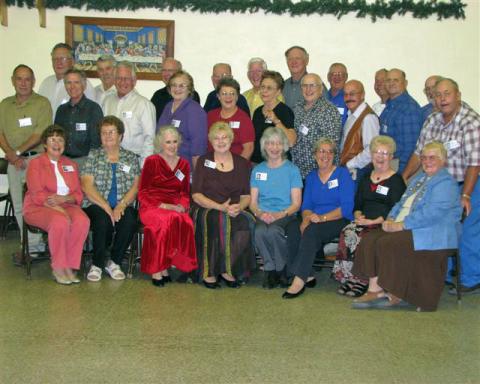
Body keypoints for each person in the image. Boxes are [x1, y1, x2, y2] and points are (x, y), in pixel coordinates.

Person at [351, 141, 462, 311]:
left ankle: (396, 291)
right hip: (408, 226)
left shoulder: (446, 183)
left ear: (443, 160)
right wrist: (390, 219)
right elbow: (399, 203)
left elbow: (432, 214)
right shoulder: (419, 179)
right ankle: (374, 289)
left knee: (388, 243)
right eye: (424, 158)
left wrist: (401, 225)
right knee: (371, 238)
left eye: (432, 158)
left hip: (433, 231)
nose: (427, 161)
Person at [401, 78, 480, 294]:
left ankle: (471, 278)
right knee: (439, 227)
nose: (442, 99)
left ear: (458, 95)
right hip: (439, 185)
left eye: (447, 93)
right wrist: (404, 178)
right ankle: (442, 274)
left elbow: (475, 164)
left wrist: (465, 195)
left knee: (467, 230)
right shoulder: (432, 120)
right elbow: (419, 152)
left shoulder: (471, 122)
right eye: (438, 95)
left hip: (469, 183)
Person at [333, 135, 406, 297]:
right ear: (371, 155)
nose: (380, 157)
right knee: (348, 231)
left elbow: (395, 209)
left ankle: (363, 280)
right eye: (377, 152)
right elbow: (357, 204)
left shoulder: (396, 180)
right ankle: (350, 278)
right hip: (364, 219)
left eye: (385, 153)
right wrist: (358, 216)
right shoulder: (365, 177)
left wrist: (372, 221)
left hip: (383, 222)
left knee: (363, 235)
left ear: (391, 157)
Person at [283, 138, 355, 299]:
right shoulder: (311, 177)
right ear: (315, 154)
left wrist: (321, 218)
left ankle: (298, 279)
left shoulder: (342, 174)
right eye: (321, 151)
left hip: (338, 219)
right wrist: (306, 219)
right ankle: (306, 274)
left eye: (330, 151)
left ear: (334, 155)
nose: (326, 155)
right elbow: (306, 204)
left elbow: (347, 207)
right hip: (314, 218)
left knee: (311, 232)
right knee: (294, 229)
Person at [23, 125, 90, 285]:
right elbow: (36, 193)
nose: (56, 143)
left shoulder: (71, 165)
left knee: (83, 221)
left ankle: (70, 266)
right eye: (52, 139)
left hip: (66, 204)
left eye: (60, 140)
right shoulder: (35, 163)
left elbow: (78, 195)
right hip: (38, 207)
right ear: (45, 144)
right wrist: (58, 207)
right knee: (60, 221)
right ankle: (58, 267)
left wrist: (65, 199)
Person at [0, 64, 52, 264]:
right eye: (19, 79)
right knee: (19, 204)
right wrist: (12, 155)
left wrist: (18, 152)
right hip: (13, 162)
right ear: (13, 80)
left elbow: (40, 134)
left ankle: (37, 247)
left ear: (33, 81)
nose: (23, 83)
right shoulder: (4, 105)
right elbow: (1, 134)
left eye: (27, 79)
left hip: (35, 161)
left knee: (36, 203)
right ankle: (26, 245)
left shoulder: (42, 103)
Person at [191, 122, 254, 289]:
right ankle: (210, 272)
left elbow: (247, 195)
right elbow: (196, 194)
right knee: (217, 220)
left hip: (234, 208)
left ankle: (230, 269)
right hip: (207, 207)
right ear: (211, 141)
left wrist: (239, 207)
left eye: (224, 137)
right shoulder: (204, 161)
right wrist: (220, 207)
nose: (220, 141)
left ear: (231, 140)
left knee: (244, 221)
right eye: (216, 138)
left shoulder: (241, 163)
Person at [81, 116, 140, 282]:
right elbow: (87, 186)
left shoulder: (130, 158)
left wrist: (121, 205)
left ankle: (114, 262)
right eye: (103, 133)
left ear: (120, 135)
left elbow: (136, 186)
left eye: (111, 132)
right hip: (96, 203)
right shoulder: (94, 156)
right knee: (102, 220)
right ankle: (97, 264)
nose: (107, 136)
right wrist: (106, 207)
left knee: (129, 220)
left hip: (123, 202)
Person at [138, 126, 197, 287]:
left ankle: (166, 265)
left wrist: (182, 206)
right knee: (165, 222)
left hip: (175, 207)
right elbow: (142, 192)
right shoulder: (152, 161)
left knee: (186, 222)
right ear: (160, 144)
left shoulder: (184, 164)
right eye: (168, 142)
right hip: (152, 206)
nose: (172, 145)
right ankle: (156, 269)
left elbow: (185, 193)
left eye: (175, 142)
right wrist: (164, 206)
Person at [250, 127, 302, 288]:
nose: (274, 148)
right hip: (262, 214)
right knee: (258, 231)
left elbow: (296, 204)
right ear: (264, 146)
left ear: (285, 146)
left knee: (273, 231)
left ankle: (280, 268)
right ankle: (270, 269)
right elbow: (253, 202)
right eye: (270, 143)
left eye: (278, 143)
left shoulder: (292, 170)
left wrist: (279, 215)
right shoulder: (258, 170)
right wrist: (259, 213)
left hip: (286, 214)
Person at [102, 61, 156, 166]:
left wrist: (144, 166)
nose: (122, 82)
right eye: (119, 78)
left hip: (134, 160)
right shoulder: (107, 101)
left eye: (126, 78)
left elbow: (149, 138)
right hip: (109, 159)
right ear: (114, 80)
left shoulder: (144, 104)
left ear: (134, 81)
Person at [290, 73, 342, 178]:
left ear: (321, 88)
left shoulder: (329, 111)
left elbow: (331, 145)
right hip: (297, 172)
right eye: (305, 86)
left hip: (319, 173)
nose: (308, 89)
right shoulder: (297, 108)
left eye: (312, 85)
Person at [157, 70, 207, 169]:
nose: (177, 89)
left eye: (182, 86)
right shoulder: (168, 106)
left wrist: (196, 177)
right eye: (174, 85)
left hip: (185, 166)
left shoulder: (195, 111)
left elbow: (198, 148)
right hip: (164, 163)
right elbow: (158, 134)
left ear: (189, 89)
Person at [54, 69, 103, 169]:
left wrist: (91, 164)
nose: (72, 87)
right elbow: (56, 137)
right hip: (63, 161)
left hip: (86, 162)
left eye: (76, 82)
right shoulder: (61, 110)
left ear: (84, 85)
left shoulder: (93, 109)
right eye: (68, 83)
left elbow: (97, 141)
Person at [379, 68, 423, 173]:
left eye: (396, 80)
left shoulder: (409, 108)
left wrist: (401, 177)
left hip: (398, 167)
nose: (391, 83)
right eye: (388, 80)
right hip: (386, 163)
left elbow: (411, 147)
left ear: (405, 83)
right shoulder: (390, 105)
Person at [38, 43, 95, 116]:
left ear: (73, 61)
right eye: (55, 59)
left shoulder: (83, 84)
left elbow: (90, 112)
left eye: (63, 59)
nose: (59, 62)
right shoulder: (46, 83)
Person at [251, 71, 295, 164]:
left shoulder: (285, 111)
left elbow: (291, 141)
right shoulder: (257, 112)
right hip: (257, 164)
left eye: (269, 88)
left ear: (278, 92)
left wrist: (276, 121)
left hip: (278, 165)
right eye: (262, 87)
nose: (264, 91)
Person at [340, 80, 380, 181]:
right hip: (348, 170)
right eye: (345, 94)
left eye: (352, 94)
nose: (348, 98)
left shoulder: (368, 118)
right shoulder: (351, 115)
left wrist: (348, 165)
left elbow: (371, 150)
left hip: (359, 172)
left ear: (362, 95)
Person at [207, 77, 255, 160]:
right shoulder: (210, 116)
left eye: (232, 93)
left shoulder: (243, 119)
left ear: (237, 97)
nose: (228, 97)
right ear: (218, 96)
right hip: (213, 165)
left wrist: (236, 167)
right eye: (224, 93)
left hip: (236, 166)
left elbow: (249, 148)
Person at [150, 57, 201, 122]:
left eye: (170, 70)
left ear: (179, 73)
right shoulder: (158, 95)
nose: (166, 74)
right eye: (164, 70)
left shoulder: (191, 95)